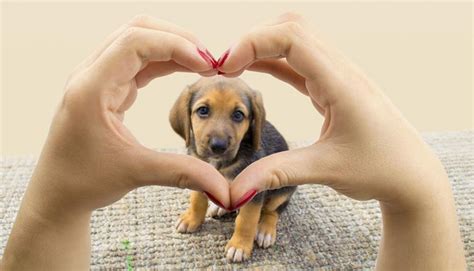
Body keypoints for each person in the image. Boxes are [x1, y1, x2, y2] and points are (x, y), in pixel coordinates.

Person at [0, 13, 466, 270]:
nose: (218, 135)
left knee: (265, 195)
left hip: (266, 192)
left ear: (253, 124)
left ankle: (267, 220)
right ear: (185, 117)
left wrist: (252, 222)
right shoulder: (195, 142)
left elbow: (258, 182)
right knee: (204, 185)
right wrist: (197, 205)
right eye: (203, 113)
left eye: (236, 118)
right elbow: (198, 167)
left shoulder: (253, 149)